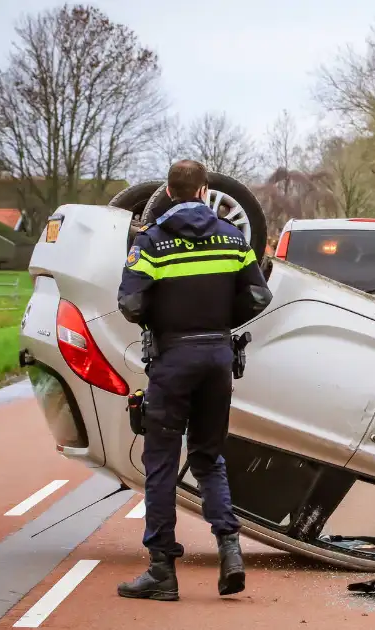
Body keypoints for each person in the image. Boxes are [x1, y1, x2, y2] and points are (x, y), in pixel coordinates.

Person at [115, 160, 272, 601]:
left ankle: (162, 571)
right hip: (218, 358)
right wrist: (222, 325)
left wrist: (160, 326)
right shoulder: (233, 237)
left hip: (173, 359)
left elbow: (129, 303)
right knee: (208, 458)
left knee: (161, 463)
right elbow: (259, 295)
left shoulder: (151, 241)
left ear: (167, 190)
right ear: (205, 191)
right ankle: (230, 551)